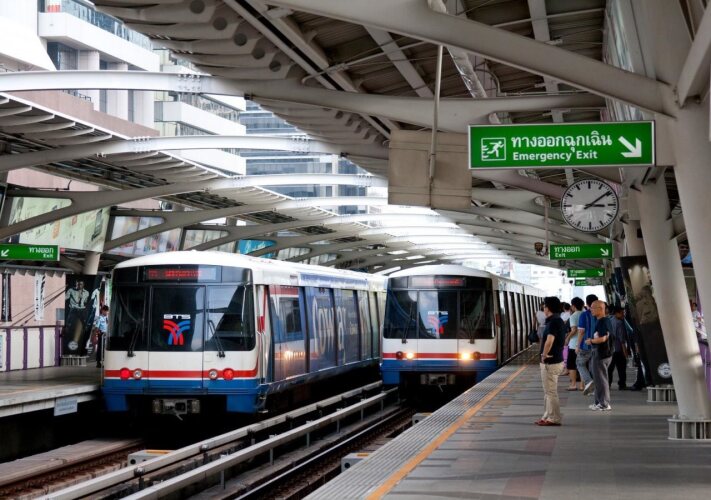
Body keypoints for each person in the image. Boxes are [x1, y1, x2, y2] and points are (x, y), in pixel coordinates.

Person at [535, 296, 566, 426]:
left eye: (545, 306)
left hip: (551, 362)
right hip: (554, 361)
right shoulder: (557, 320)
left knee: (551, 392)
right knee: (548, 392)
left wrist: (544, 354)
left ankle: (554, 418)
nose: (544, 308)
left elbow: (550, 340)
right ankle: (547, 416)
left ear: (548, 308)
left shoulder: (554, 322)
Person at [586, 300, 614, 411]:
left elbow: (603, 338)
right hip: (602, 353)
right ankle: (598, 402)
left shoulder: (603, 321)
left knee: (601, 379)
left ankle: (604, 404)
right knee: (598, 379)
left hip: (601, 354)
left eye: (593, 308)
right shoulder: (603, 321)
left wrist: (591, 341)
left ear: (601, 309)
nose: (591, 310)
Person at [575, 294, 598, 396]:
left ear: (587, 303)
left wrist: (577, 345)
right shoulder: (600, 314)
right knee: (594, 367)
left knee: (580, 364)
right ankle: (596, 389)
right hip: (598, 346)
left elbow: (581, 332)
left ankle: (589, 382)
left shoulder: (584, 315)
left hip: (586, 346)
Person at [607, 306, 629, 390]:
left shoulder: (609, 320)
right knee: (621, 368)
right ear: (616, 313)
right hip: (618, 349)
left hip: (609, 349)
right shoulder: (619, 323)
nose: (623, 314)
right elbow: (622, 339)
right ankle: (622, 384)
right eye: (622, 313)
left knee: (610, 368)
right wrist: (625, 353)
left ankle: (608, 384)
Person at [65, 280, 90, 352]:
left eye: (81, 284)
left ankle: (86, 334)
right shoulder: (71, 290)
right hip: (73, 309)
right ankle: (67, 330)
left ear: (83, 285)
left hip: (82, 309)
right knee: (69, 321)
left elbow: (86, 301)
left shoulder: (87, 292)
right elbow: (65, 297)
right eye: (78, 284)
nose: (79, 286)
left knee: (86, 323)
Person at [565, 297, 585, 391]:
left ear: (573, 306)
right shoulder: (585, 314)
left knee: (572, 365)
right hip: (584, 344)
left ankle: (573, 384)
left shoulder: (573, 316)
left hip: (574, 345)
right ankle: (582, 385)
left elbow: (574, 330)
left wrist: (567, 338)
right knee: (582, 365)